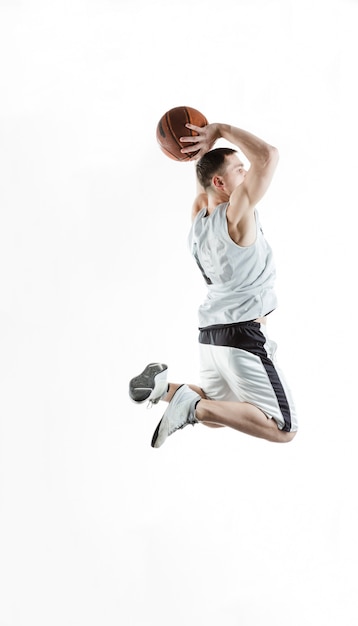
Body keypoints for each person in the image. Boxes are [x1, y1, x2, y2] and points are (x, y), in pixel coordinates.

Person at [129, 121, 298, 448]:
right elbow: (269, 156)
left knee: (219, 410)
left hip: (212, 337)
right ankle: (188, 407)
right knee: (283, 427)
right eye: (239, 169)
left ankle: (160, 390)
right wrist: (219, 129)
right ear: (221, 182)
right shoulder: (236, 216)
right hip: (241, 335)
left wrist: (200, 149)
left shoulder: (199, 218)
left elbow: (205, 181)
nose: (247, 173)